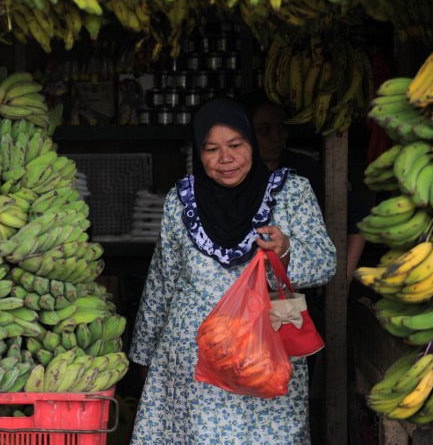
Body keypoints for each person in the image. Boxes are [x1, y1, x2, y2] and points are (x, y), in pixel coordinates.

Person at [128, 97, 337, 444]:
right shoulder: (181, 200)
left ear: (251, 143)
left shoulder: (290, 193)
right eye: (211, 149)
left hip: (265, 357)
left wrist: (285, 251)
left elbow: (325, 264)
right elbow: (162, 280)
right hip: (195, 365)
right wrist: (144, 358)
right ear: (198, 151)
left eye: (236, 145)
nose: (225, 159)